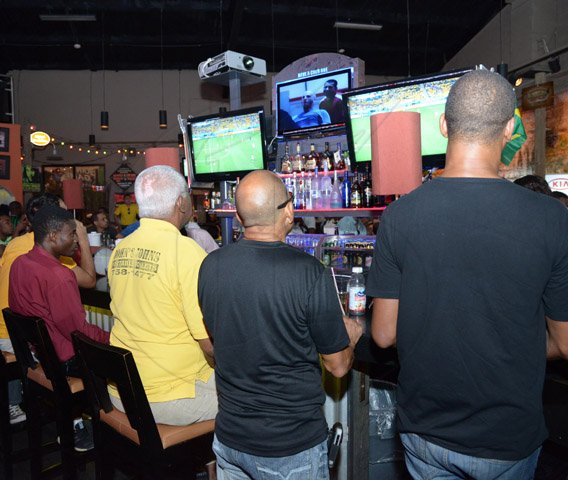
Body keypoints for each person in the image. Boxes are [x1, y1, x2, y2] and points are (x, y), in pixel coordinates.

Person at [367, 69, 568, 479]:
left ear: (443, 125)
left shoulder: (399, 216)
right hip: (507, 438)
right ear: (511, 127)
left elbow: (384, 334)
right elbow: (565, 343)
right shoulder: (551, 217)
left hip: (426, 433)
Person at [198, 170, 363, 479]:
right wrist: (351, 336)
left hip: (230, 439)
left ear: (238, 215)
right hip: (289, 448)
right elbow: (338, 366)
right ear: (289, 210)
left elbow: (224, 336)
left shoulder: (210, 266)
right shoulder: (308, 272)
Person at [107, 166, 217, 427]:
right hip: (166, 395)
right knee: (260, 400)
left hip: (121, 388)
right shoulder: (186, 251)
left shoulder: (120, 250)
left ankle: (210, 468)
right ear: (181, 203)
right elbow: (209, 344)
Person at [8, 205, 110, 450]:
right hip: (63, 360)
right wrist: (114, 337)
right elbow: (79, 333)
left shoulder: (20, 263)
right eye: (72, 233)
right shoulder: (59, 275)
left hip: (39, 354)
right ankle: (112, 430)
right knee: (127, 363)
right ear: (53, 236)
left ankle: (78, 423)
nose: (76, 239)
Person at [0, 193, 96, 425]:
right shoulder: (57, 265)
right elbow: (89, 282)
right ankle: (81, 423)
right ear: (53, 228)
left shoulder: (18, 251)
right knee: (117, 364)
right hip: (44, 352)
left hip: (16, 337)